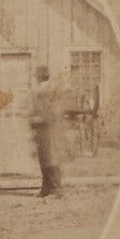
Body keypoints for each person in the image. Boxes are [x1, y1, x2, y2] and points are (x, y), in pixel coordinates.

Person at [30, 64, 67, 198]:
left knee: (51, 158)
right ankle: (45, 188)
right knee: (43, 158)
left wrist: (41, 119)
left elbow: (55, 111)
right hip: (41, 128)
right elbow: (37, 109)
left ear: (41, 77)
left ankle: (57, 190)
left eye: (37, 76)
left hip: (51, 129)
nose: (36, 78)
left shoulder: (51, 90)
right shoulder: (39, 90)